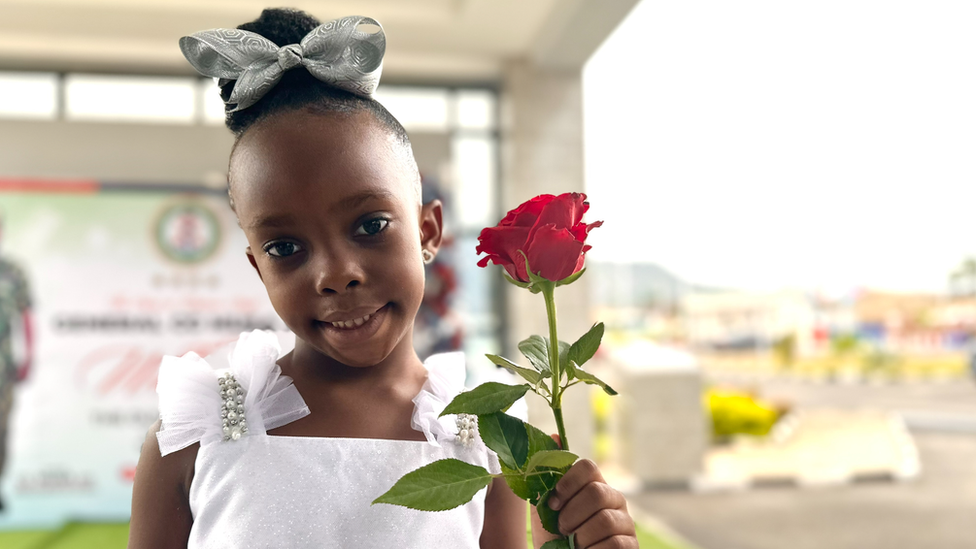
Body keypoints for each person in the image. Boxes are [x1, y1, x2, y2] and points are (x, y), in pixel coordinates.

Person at [128, 8, 637, 549]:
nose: (336, 274)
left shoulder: (486, 440)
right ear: (258, 264)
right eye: (285, 247)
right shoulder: (195, 439)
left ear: (428, 231)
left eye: (370, 225)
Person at [0, 216, 33, 513]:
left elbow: (26, 317)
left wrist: (29, 355)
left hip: (3, 370)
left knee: (1, 430)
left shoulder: (13, 273)